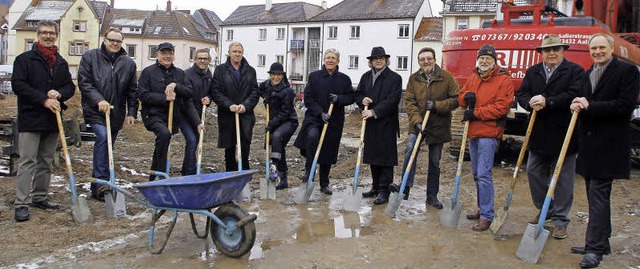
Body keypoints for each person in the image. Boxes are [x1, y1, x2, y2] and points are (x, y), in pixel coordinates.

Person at [569, 33, 639, 269]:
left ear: (612, 48)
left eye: (601, 47)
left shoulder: (627, 72)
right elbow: (585, 101)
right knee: (595, 196)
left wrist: (590, 106)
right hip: (590, 146)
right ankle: (602, 242)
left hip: (610, 146)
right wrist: (577, 103)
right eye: (593, 49)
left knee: (598, 196)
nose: (597, 52)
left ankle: (594, 249)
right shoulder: (588, 73)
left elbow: (625, 106)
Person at [516, 34, 584, 239]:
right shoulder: (533, 72)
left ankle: (561, 220)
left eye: (555, 49)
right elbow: (522, 94)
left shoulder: (574, 71)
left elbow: (574, 93)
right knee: (533, 171)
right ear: (541, 53)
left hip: (564, 132)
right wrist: (529, 103)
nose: (551, 53)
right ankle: (546, 208)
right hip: (538, 131)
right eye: (547, 50)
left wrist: (548, 101)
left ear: (563, 50)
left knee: (563, 179)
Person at [12, 20, 75, 222]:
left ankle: (39, 197)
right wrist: (43, 99)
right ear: (38, 35)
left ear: (56, 36)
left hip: (52, 120)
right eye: (44, 33)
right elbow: (19, 85)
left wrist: (60, 94)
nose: (48, 36)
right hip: (31, 118)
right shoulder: (24, 60)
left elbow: (69, 87)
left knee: (45, 161)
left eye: (52, 33)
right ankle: (21, 203)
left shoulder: (60, 62)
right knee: (27, 161)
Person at [389, 47, 459, 209]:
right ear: (419, 61)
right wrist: (417, 121)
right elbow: (410, 102)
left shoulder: (446, 77)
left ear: (435, 59)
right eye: (422, 59)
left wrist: (437, 105)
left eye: (429, 58)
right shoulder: (414, 79)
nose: (426, 61)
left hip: (438, 125)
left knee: (434, 162)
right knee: (410, 149)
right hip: (418, 124)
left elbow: (456, 99)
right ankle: (405, 187)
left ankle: (432, 196)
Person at [458, 44, 514, 231]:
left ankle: (487, 215)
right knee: (476, 174)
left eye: (488, 59)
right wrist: (467, 97)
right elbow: (461, 97)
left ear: (495, 61)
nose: (484, 61)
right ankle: (482, 208)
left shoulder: (503, 80)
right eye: (481, 58)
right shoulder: (474, 76)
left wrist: (476, 112)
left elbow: (502, 107)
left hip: (489, 133)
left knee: (483, 174)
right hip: (473, 131)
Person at [78, 27, 138, 200]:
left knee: (108, 147)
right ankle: (103, 183)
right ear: (104, 40)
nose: (114, 43)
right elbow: (85, 83)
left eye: (118, 41)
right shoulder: (90, 57)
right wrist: (99, 100)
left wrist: (131, 112)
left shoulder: (128, 63)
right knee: (103, 138)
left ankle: (98, 185)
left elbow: (132, 90)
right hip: (95, 110)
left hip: (116, 113)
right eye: (111, 40)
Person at [138, 42, 203, 180]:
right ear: (157, 55)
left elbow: (188, 95)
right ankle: (160, 176)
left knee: (164, 139)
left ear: (174, 55)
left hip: (172, 117)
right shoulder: (148, 72)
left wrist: (176, 86)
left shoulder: (179, 73)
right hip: (153, 114)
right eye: (164, 53)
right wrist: (165, 98)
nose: (167, 56)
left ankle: (156, 174)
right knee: (164, 134)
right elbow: (143, 95)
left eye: (170, 53)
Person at [294, 48, 355, 195]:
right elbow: (308, 98)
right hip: (315, 118)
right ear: (324, 60)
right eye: (328, 57)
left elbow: (351, 97)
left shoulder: (344, 79)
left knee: (328, 149)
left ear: (338, 61)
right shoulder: (314, 77)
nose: (330, 60)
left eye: (333, 58)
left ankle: (324, 182)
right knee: (313, 137)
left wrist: (339, 99)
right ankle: (308, 175)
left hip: (334, 121)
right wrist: (320, 113)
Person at [354, 46, 402, 204]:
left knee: (385, 159)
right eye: (375, 58)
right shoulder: (366, 77)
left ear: (386, 60)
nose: (378, 60)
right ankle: (375, 187)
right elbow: (358, 93)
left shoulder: (394, 78)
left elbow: (392, 100)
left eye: (381, 58)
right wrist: (362, 101)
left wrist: (374, 112)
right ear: (371, 62)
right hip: (371, 125)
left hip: (386, 123)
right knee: (373, 157)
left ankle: (384, 190)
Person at [210, 42, 260, 171]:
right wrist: (229, 105)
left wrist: (245, 105)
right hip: (227, 114)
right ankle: (231, 173)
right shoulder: (221, 70)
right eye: (234, 51)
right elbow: (215, 91)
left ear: (242, 53)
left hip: (245, 114)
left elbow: (255, 92)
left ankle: (244, 172)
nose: (237, 54)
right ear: (229, 53)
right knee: (230, 145)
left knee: (245, 143)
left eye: (239, 52)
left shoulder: (250, 70)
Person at [259, 62, 299, 189]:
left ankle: (274, 165)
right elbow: (258, 90)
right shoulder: (266, 85)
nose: (275, 77)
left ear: (282, 76)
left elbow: (285, 112)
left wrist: (271, 124)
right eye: (273, 74)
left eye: (278, 75)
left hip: (288, 121)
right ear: (270, 75)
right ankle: (283, 179)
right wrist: (265, 97)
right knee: (278, 146)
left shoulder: (288, 91)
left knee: (276, 137)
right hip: (275, 121)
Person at [183, 48, 213, 175]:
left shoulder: (208, 75)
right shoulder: (187, 75)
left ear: (209, 60)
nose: (202, 61)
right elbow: (187, 101)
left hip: (199, 113)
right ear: (195, 60)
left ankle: (187, 170)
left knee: (194, 142)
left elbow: (211, 92)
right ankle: (189, 173)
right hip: (184, 114)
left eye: (205, 58)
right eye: (200, 58)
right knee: (192, 140)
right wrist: (197, 122)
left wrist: (209, 99)